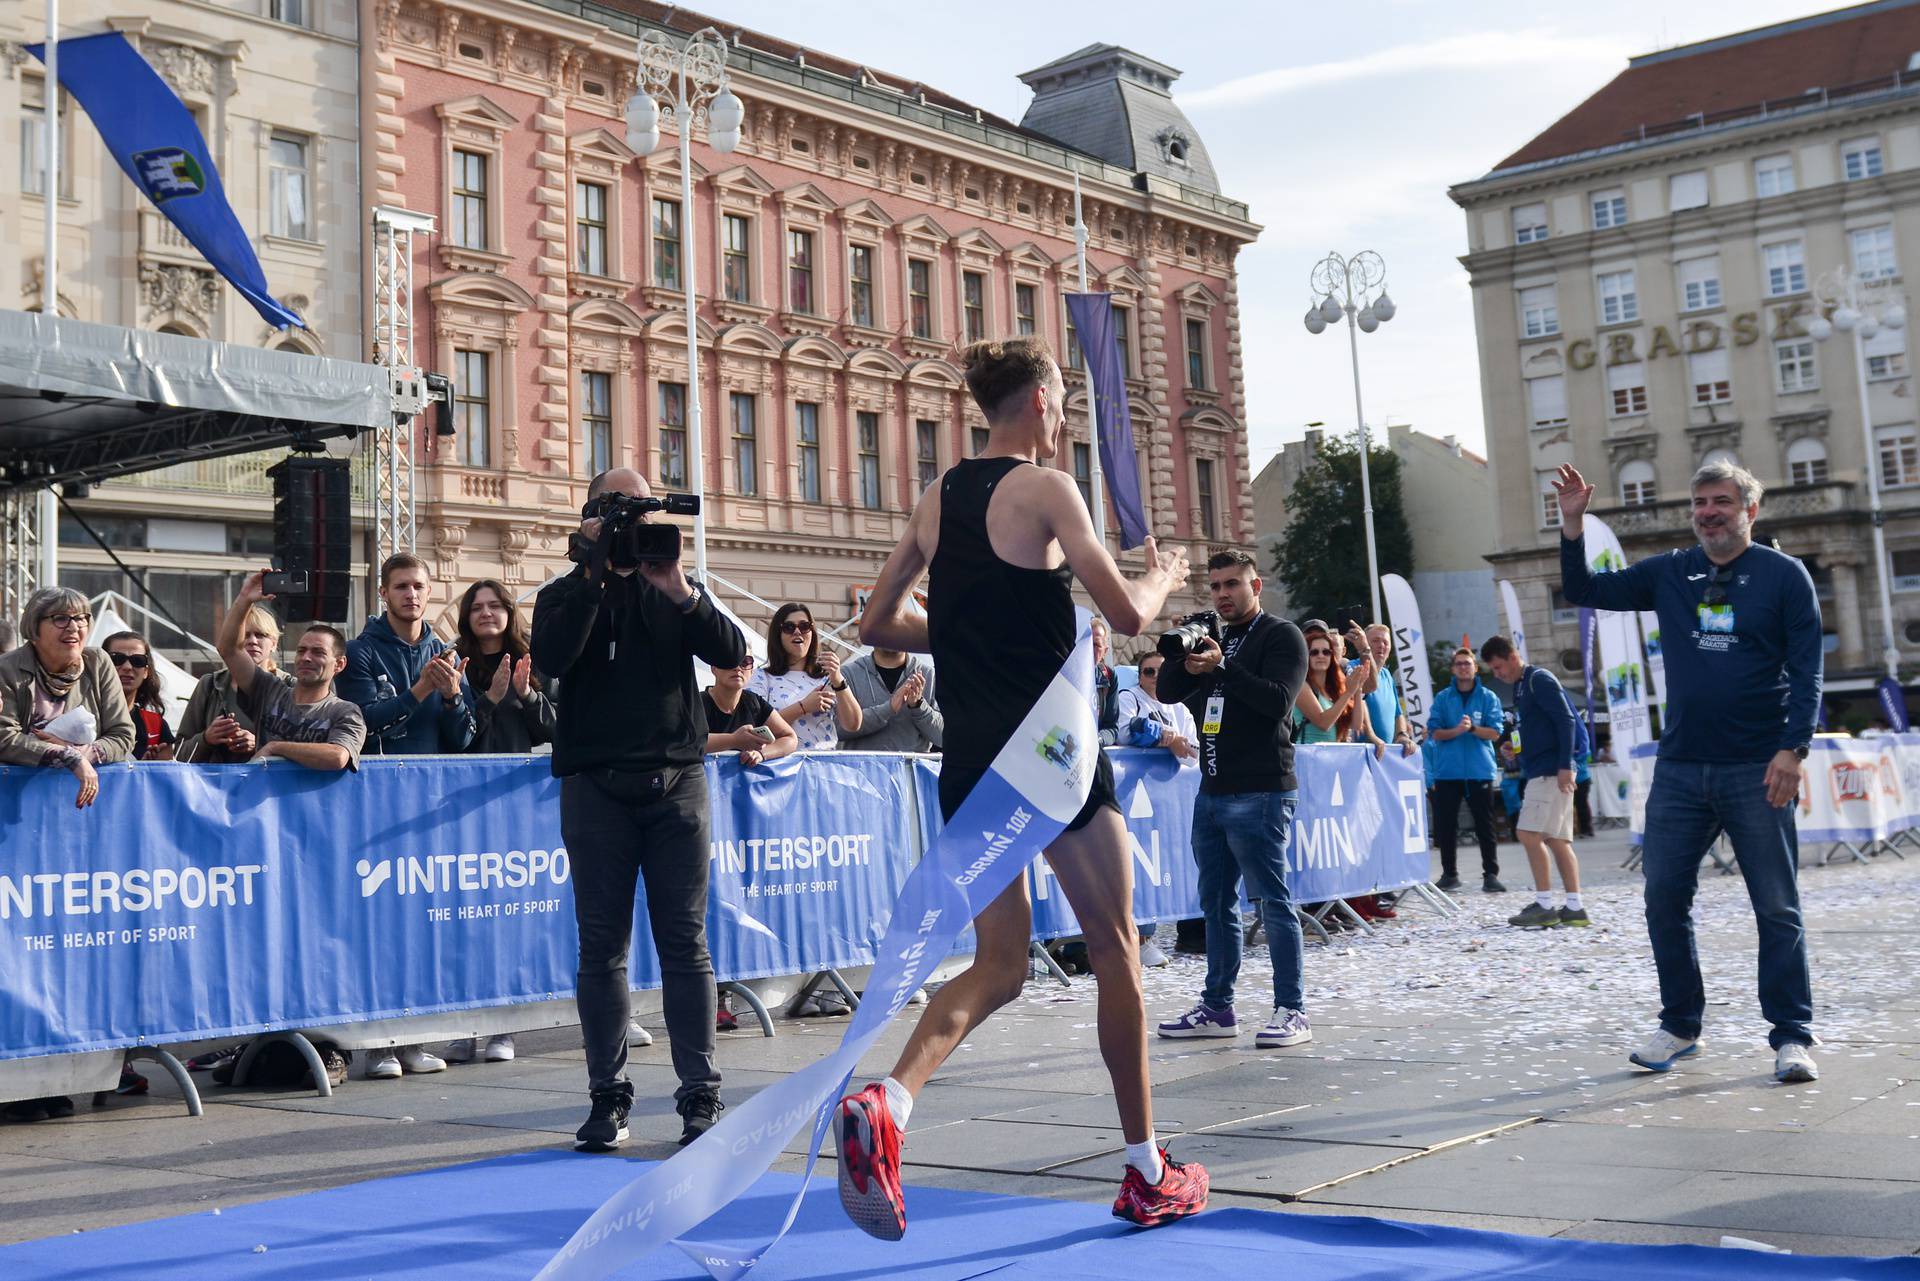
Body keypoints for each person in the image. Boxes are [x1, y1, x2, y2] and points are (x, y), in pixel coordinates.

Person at [836, 336, 1207, 1237]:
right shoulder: (1047, 487)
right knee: (1116, 947)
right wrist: (1164, 573)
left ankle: (890, 1098)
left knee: (1000, 963)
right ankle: (1145, 1167)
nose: (1069, 414)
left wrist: (964, 637)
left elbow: (877, 619)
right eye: (1064, 400)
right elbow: (1124, 616)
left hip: (972, 761)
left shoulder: (939, 496)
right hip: (1052, 755)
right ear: (1041, 399)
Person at [1555, 459, 1821, 1084]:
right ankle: (1680, 1025)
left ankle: (1791, 1036)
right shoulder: (1673, 572)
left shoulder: (1786, 577)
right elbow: (1587, 591)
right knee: (1663, 897)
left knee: (1776, 907)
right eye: (1699, 503)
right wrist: (1572, 525)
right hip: (1681, 770)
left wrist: (1794, 750)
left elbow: (1809, 671)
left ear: (1749, 510)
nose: (1707, 513)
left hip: (1759, 768)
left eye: (1720, 502)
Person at [533, 467, 747, 1152]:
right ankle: (608, 1096)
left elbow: (733, 652)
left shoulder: (672, 591)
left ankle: (700, 1095)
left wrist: (679, 587)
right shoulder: (564, 593)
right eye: (615, 512)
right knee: (602, 949)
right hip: (596, 789)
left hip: (675, 785)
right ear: (591, 518)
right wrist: (596, 572)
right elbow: (550, 655)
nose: (629, 529)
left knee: (685, 945)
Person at [1156, 547, 1312, 1047]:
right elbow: (1166, 692)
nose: (1223, 594)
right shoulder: (1214, 638)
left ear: (1255, 586)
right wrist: (1186, 652)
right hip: (1213, 788)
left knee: (1271, 902)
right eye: (1216, 586)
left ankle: (1292, 1009)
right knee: (1215, 903)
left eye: (1232, 585)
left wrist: (1222, 670)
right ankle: (1218, 1007)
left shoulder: (1280, 635)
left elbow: (1276, 702)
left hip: (1262, 789)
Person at [338, 553, 475, 1080]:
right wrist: (421, 690)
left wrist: (453, 694)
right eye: (401, 587)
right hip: (379, 806)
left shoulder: (444, 651)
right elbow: (363, 724)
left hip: (432, 808)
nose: (411, 595)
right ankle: (376, 1044)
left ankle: (417, 1037)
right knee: (381, 927)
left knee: (425, 926)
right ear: (384, 593)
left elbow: (462, 738)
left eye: (419, 586)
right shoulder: (363, 651)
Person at [0, 587, 135, 1122]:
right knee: (23, 951)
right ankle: (23, 1083)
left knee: (73, 953)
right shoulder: (10, 670)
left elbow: (123, 735)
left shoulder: (99, 664)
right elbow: (3, 736)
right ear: (35, 630)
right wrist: (64, 758)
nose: (74, 627)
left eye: (80, 618)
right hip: (19, 836)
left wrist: (90, 753)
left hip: (83, 838)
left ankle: (73, 1075)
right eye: (59, 619)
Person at [1480, 636, 1588, 930]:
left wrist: (1566, 764)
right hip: (1547, 766)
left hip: (1551, 770)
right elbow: (1538, 726)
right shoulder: (1521, 686)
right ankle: (1575, 908)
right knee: (1556, 839)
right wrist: (1515, 748)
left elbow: (1566, 720)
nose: (1498, 674)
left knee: (1528, 834)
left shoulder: (1537, 679)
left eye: (1499, 667)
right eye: (1494, 670)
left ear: (1512, 656)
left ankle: (1544, 904)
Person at [218, 574, 366, 771]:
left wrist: (275, 748)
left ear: (339, 664)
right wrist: (245, 598)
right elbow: (229, 649)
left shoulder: (345, 712)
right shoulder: (269, 690)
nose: (306, 658)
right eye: (301, 650)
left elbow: (337, 756)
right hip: (261, 800)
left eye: (318, 652)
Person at [1426, 647, 1505, 892]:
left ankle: (1490, 875)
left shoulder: (1488, 697)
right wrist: (1457, 731)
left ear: (1475, 667)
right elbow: (1434, 732)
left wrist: (1471, 729)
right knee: (1446, 826)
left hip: (1479, 770)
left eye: (1467, 663)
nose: (1463, 667)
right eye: (1459, 664)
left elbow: (1495, 732)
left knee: (1485, 825)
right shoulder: (1443, 698)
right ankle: (1450, 874)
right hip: (1448, 772)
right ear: (1452, 668)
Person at [454, 578, 555, 755]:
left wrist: (528, 696)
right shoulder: (454, 662)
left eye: (494, 606)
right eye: (476, 608)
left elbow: (556, 729)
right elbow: (451, 734)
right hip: (465, 776)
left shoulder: (532, 659)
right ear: (466, 617)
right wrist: (490, 698)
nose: (486, 613)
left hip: (516, 777)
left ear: (509, 612)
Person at [176, 604, 284, 764]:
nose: (252, 641)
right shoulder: (210, 685)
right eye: (245, 635)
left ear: (274, 643)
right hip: (217, 786)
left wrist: (260, 745)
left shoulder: (290, 688)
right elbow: (179, 754)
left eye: (260, 635)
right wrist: (207, 738)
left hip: (271, 786)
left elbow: (308, 750)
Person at [749, 603, 860, 749]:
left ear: (812, 632)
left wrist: (838, 680)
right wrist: (803, 707)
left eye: (804, 626)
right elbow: (757, 729)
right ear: (778, 635)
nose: (797, 632)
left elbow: (853, 724)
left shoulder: (826, 678)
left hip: (821, 765)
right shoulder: (761, 677)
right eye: (789, 627)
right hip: (780, 765)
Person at [839, 645, 942, 753]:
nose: (889, 635)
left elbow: (944, 737)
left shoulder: (930, 675)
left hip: (913, 769)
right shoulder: (847, 675)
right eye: (883, 627)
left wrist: (919, 706)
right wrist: (888, 709)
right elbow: (837, 731)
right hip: (862, 769)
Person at [703, 655, 800, 767]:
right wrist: (734, 740)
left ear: (752, 671)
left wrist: (760, 754)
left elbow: (790, 738)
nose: (738, 668)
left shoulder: (754, 702)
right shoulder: (695, 703)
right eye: (729, 661)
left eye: (745, 662)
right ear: (713, 668)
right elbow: (685, 741)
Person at [1291, 621, 1368, 744]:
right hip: (1309, 756)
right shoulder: (1301, 685)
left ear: (1332, 656)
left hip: (1331, 757)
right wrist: (1349, 692)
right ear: (1306, 656)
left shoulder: (1334, 686)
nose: (1320, 656)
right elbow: (1323, 723)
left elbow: (1356, 724)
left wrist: (1358, 688)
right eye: (1314, 652)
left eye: (1326, 652)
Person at [102, 632, 175, 761]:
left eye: (138, 661)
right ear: (101, 666)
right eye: (117, 659)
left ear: (146, 671)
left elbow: (166, 778)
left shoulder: (156, 725)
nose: (127, 667)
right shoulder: (86, 719)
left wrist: (148, 768)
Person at [1354, 624, 1417, 760]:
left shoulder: (1387, 675)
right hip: (1360, 754)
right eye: (1375, 641)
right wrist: (1371, 734)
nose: (1381, 645)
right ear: (1364, 644)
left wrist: (1402, 735)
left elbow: (1397, 713)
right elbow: (1356, 704)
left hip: (1383, 756)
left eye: (1385, 642)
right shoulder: (1354, 668)